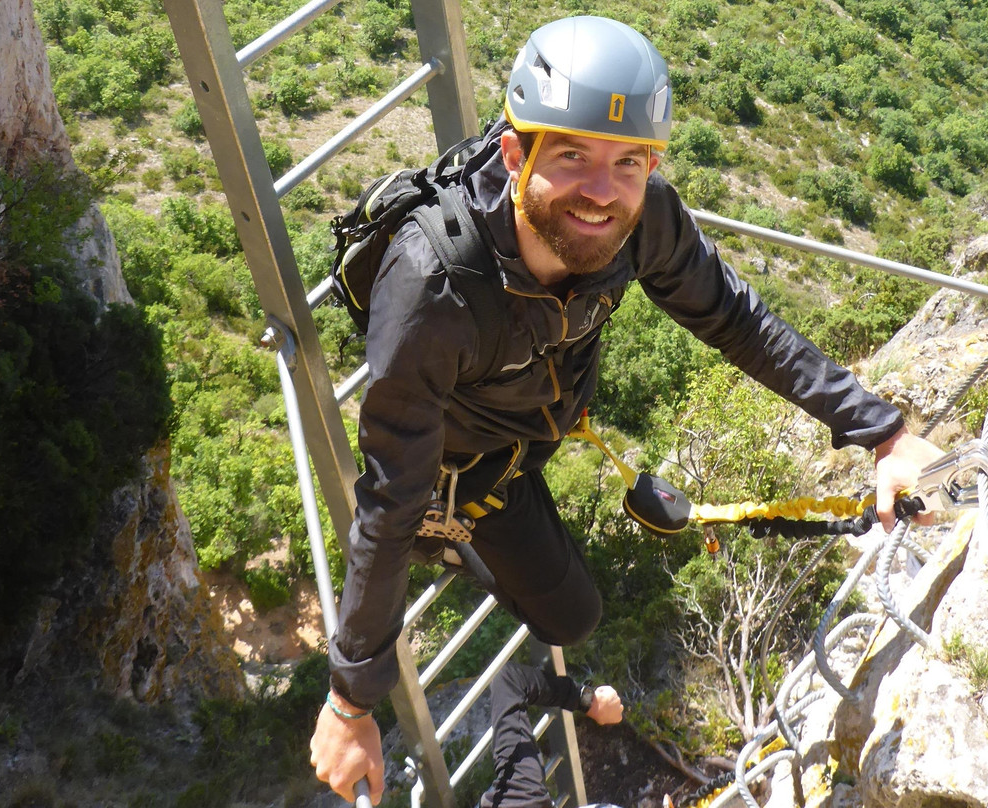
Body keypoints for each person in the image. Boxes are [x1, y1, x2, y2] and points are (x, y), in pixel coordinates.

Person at [310, 15, 943, 804]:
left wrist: (880, 432)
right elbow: (388, 491)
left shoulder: (642, 219)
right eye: (572, 156)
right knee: (524, 590)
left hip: (526, 443)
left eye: (629, 163)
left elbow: (736, 320)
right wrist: (351, 699)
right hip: (454, 466)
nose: (602, 193)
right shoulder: (431, 289)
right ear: (515, 154)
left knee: (572, 621)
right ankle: (451, 529)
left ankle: (464, 536)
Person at [480, 661, 623, 808]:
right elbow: (508, 680)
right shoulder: (521, 791)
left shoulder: (522, 790)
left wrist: (588, 701)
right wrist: (587, 701)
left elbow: (508, 680)